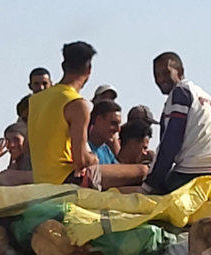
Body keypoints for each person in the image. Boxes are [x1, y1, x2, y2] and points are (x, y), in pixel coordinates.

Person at [27, 43, 151, 187]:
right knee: (142, 171)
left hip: (41, 179)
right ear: (89, 70)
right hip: (67, 179)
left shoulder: (35, 100)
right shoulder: (77, 104)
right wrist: (93, 159)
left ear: (63, 66)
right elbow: (81, 160)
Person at [143, 51, 211, 194]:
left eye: (165, 73)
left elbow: (171, 141)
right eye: (157, 75)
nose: (161, 79)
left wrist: (151, 184)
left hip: (194, 175)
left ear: (180, 72)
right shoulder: (208, 99)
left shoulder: (180, 93)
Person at [87, 95, 122, 165]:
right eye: (113, 123)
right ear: (98, 120)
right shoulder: (82, 149)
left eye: (119, 124)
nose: (118, 129)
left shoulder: (107, 151)